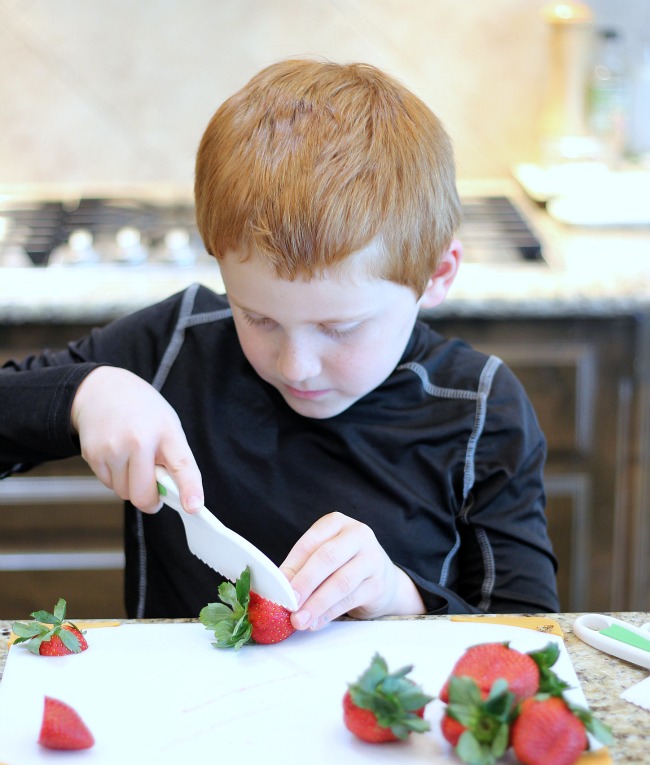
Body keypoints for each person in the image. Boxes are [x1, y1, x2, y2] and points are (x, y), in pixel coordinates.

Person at [0, 59, 559, 624]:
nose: (296, 366)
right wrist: (83, 392)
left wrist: (397, 597)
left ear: (437, 275)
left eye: (340, 329)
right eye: (257, 317)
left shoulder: (482, 409)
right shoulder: (173, 347)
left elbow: (528, 630)